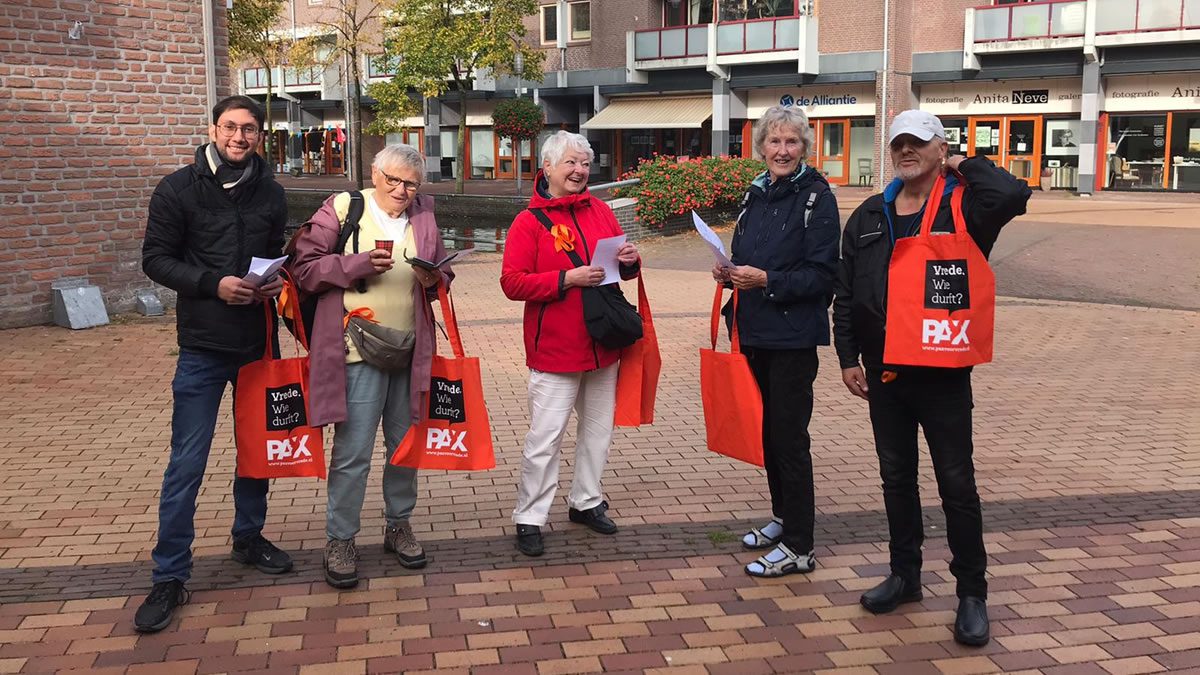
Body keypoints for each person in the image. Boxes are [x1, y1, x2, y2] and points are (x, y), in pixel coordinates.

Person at [833, 110, 1031, 646]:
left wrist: (964, 162)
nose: (906, 151)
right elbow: (846, 290)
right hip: (885, 374)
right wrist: (847, 356)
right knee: (896, 480)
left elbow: (1014, 195)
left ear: (939, 149)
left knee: (956, 484)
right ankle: (906, 575)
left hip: (943, 373)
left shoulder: (967, 204)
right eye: (899, 142)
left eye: (918, 143)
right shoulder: (871, 213)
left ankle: (972, 593)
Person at [137, 95, 291, 633]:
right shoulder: (177, 188)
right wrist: (212, 284)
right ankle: (169, 575)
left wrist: (273, 282)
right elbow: (155, 258)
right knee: (187, 463)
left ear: (259, 136)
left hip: (256, 343)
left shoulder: (270, 192)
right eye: (231, 127)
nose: (239, 137)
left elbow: (277, 255)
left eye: (249, 129)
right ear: (213, 129)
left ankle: (248, 538)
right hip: (202, 347)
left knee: (257, 454)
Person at [290, 144, 452, 589]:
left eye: (411, 184)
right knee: (353, 451)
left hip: (409, 348)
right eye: (393, 180)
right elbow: (303, 268)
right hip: (355, 349)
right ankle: (340, 538)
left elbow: (440, 277)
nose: (401, 190)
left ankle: (398, 524)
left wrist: (434, 277)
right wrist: (355, 264)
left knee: (404, 446)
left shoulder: (423, 216)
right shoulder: (345, 207)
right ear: (374, 173)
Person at [711, 105, 841, 578]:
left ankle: (801, 547)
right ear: (761, 147)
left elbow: (824, 276)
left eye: (791, 142)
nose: (782, 150)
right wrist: (729, 272)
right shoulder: (756, 195)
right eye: (773, 141)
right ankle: (784, 520)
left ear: (804, 147)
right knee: (767, 434)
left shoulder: (817, 198)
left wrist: (766, 279)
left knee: (789, 438)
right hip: (752, 332)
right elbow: (749, 257)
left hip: (791, 338)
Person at [500, 131, 641, 557]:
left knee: (597, 432)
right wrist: (566, 279)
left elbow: (618, 269)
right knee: (545, 438)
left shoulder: (600, 210)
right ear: (548, 169)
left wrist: (630, 262)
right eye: (571, 163)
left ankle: (586, 500)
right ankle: (530, 516)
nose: (580, 171)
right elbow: (512, 282)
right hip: (556, 349)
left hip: (604, 342)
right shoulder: (528, 222)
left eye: (584, 163)